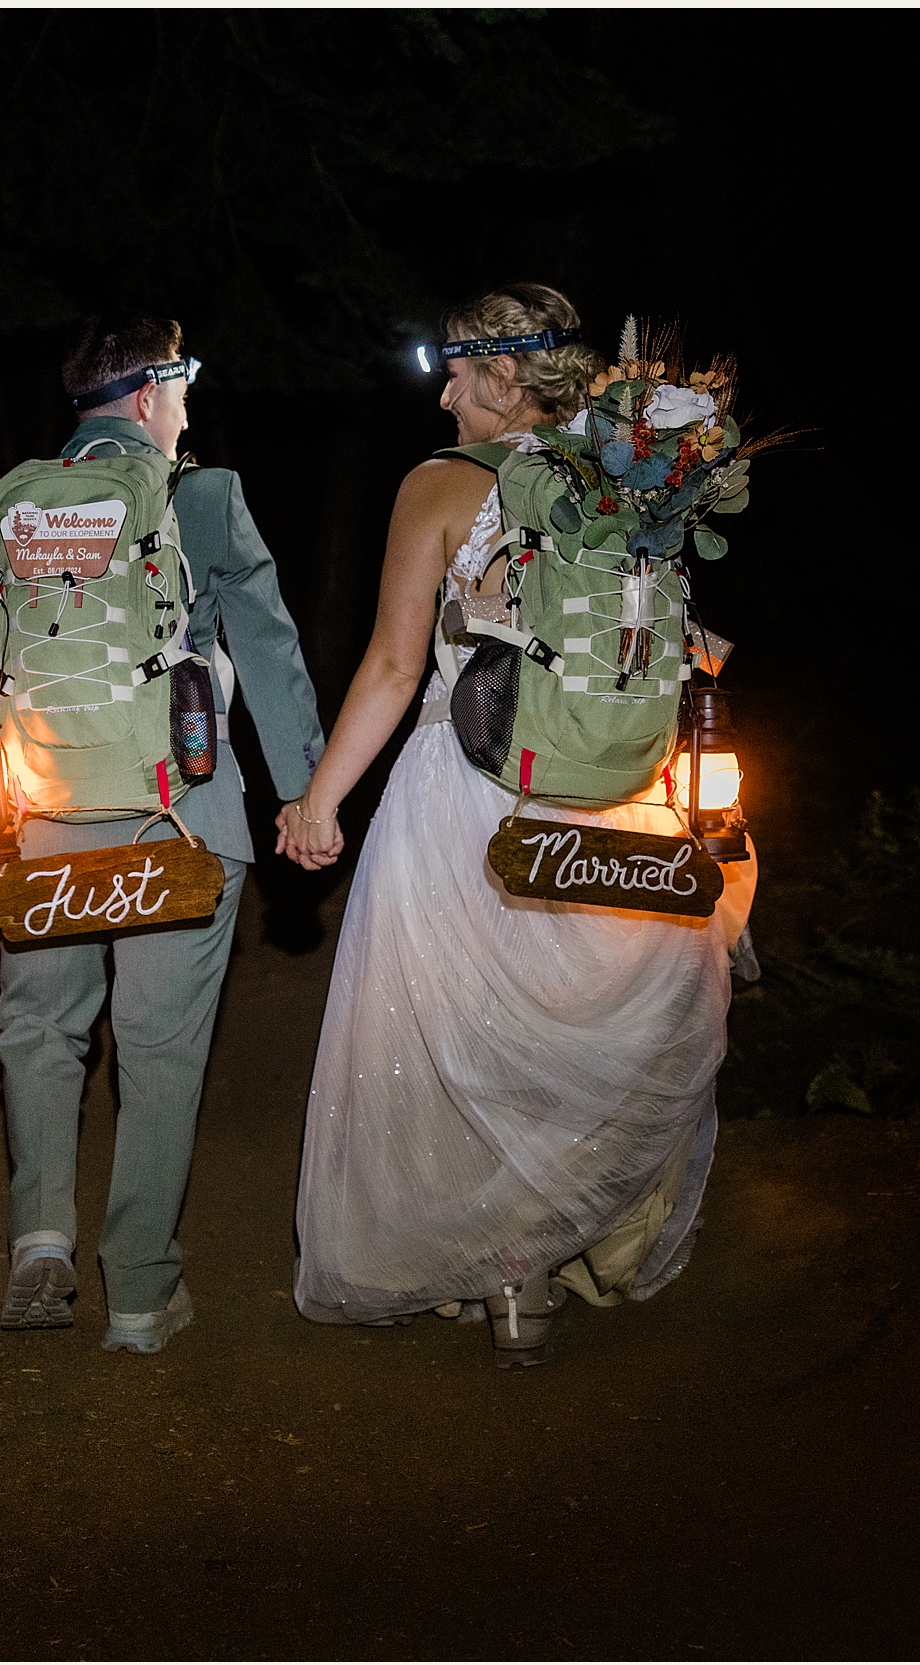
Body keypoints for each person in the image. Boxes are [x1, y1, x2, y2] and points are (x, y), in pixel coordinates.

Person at [276, 283, 756, 1367]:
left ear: (501, 378)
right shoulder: (637, 484)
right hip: (613, 789)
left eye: (452, 368)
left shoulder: (440, 484)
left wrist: (319, 801)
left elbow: (398, 664)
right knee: (568, 1035)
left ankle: (505, 1273)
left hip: (473, 785)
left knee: (471, 1041)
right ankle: (563, 1245)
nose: (439, 391)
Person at [0, 314, 326, 1353]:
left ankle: (39, 1235)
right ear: (152, 391)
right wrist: (305, 793)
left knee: (38, 1027)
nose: (191, 397)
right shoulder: (203, 497)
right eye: (187, 377)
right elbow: (269, 646)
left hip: (44, 813)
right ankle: (138, 1293)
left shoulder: (3, 502)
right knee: (158, 1053)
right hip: (182, 817)